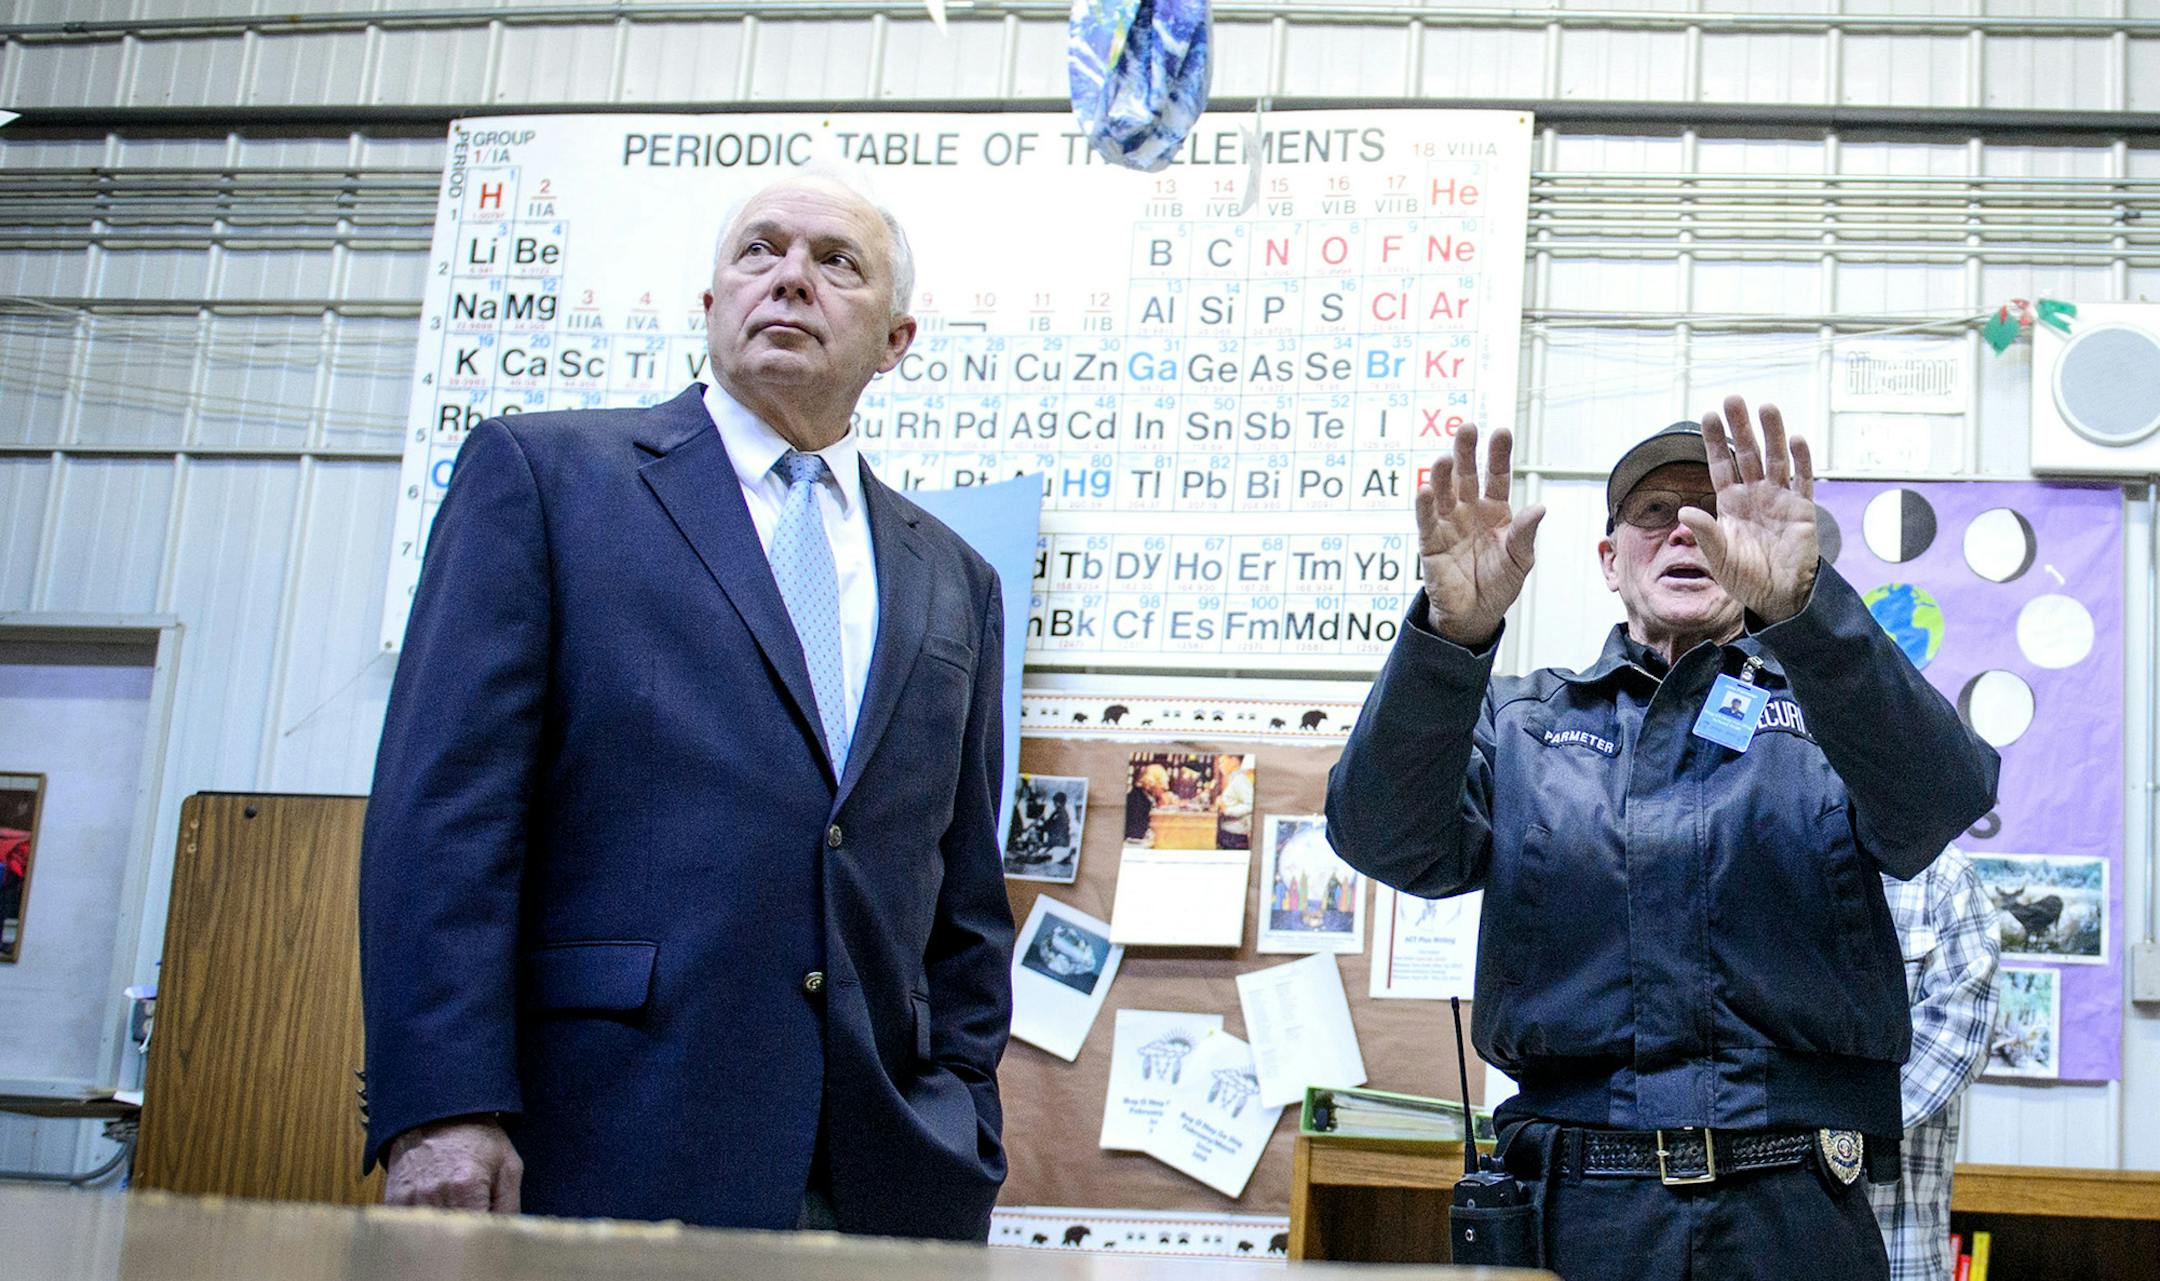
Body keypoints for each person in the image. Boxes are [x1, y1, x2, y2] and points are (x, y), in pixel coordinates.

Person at [358, 173, 1014, 1240]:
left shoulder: (955, 580)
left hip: (880, 1173)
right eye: (759, 252)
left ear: (896, 340)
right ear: (710, 305)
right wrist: (442, 1107)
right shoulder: (546, 480)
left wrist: (966, 1114)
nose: (792, 277)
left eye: (836, 262)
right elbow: (444, 823)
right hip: (598, 1137)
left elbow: (963, 899)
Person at [1326, 401, 1999, 1280]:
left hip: (1795, 1214)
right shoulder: (1524, 723)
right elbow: (1385, 838)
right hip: (1576, 1214)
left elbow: (1936, 801)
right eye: (1653, 512)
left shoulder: (1826, 712)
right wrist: (1451, 641)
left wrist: (1805, 609)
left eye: (1709, 508)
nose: (1685, 527)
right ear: (1609, 560)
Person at [1869, 847, 2000, 1280]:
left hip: (1896, 1240)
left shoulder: (1939, 876)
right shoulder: (1759, 862)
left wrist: (1833, 1122)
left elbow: (1959, 1032)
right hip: (1761, 1228)